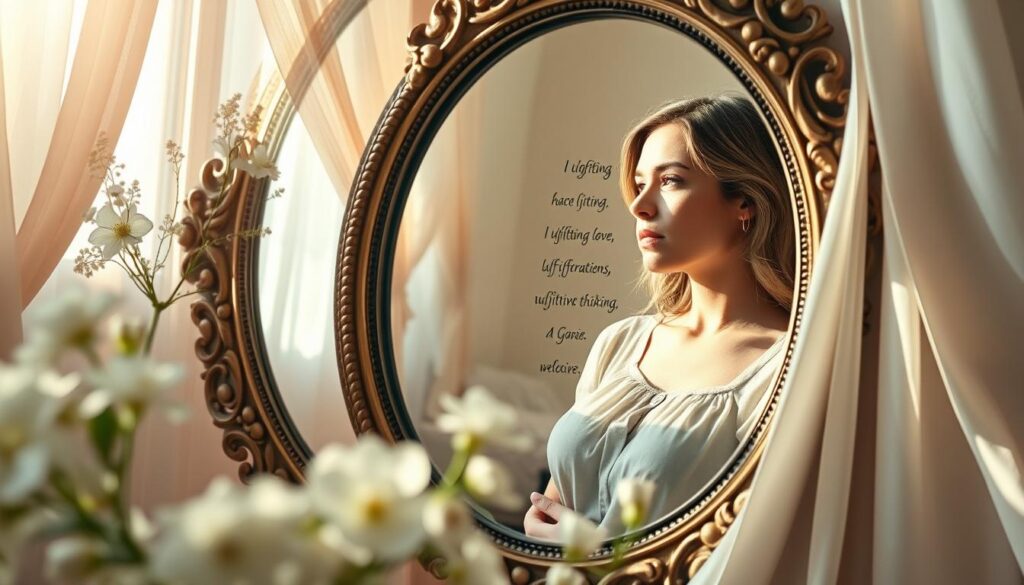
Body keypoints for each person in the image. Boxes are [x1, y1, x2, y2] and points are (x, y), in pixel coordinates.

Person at [524, 95, 795, 540]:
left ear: (744, 201)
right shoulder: (620, 342)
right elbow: (553, 505)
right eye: (638, 183)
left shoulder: (782, 368)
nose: (640, 206)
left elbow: (749, 551)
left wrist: (590, 550)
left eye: (670, 181)